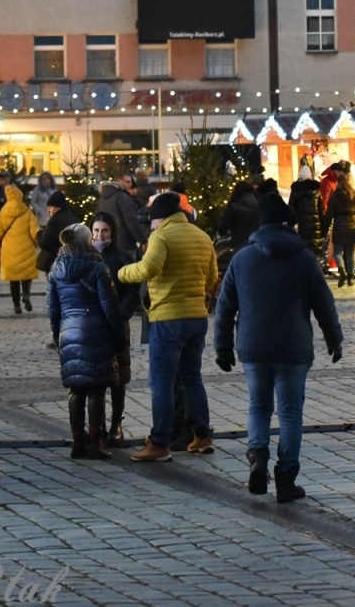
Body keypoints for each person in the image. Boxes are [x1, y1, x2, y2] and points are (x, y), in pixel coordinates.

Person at [214, 191, 343, 502]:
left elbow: (224, 306)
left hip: (253, 347)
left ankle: (258, 456)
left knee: (258, 406)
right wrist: (334, 338)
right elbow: (323, 304)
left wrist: (223, 348)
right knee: (290, 413)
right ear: (290, 225)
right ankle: (286, 478)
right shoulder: (304, 259)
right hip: (293, 347)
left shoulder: (242, 259)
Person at [119, 192, 219, 462]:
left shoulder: (161, 236)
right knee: (192, 378)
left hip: (167, 318)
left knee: (161, 382)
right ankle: (202, 436)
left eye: (152, 222)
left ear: (159, 219)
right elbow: (212, 277)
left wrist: (121, 273)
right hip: (197, 318)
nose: (150, 227)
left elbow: (147, 269)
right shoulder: (201, 236)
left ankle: (159, 442)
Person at [48, 222, 126, 460]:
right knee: (96, 388)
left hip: (68, 331)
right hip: (96, 331)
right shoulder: (97, 266)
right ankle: (96, 442)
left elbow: (53, 308)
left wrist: (57, 334)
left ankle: (77, 442)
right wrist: (119, 336)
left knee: (76, 388)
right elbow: (109, 307)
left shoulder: (56, 268)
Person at [89, 212, 140, 446]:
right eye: (97, 231)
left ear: (113, 232)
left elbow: (132, 291)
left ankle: (116, 423)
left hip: (117, 324)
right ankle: (95, 425)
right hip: (93, 324)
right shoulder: (87, 257)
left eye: (105, 231)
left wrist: (122, 314)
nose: (100, 235)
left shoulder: (123, 257)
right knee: (95, 375)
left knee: (120, 375)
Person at [0, 182, 41, 313]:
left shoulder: (2, 213)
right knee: (26, 275)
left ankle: (16, 305)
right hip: (26, 248)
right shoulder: (27, 212)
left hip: (9, 249)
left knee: (13, 280)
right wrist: (36, 244)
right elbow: (34, 232)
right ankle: (26, 295)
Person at [326, 163, 355, 289]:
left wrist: (325, 228)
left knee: (338, 252)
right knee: (350, 254)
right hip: (352, 227)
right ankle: (350, 278)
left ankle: (342, 270)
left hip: (339, 226)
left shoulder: (334, 196)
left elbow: (329, 214)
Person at [97, 173, 146, 259]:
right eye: (128, 182)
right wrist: (143, 241)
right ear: (119, 182)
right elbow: (131, 221)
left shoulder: (103, 198)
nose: (130, 185)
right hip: (125, 244)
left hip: (108, 244)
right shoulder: (123, 198)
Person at [39, 189, 80, 274]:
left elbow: (45, 244)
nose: (48, 211)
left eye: (50, 207)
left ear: (56, 207)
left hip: (55, 262)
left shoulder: (55, 221)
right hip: (71, 262)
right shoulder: (74, 219)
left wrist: (39, 234)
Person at [220, 180, 260, 256]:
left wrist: (221, 233)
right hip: (256, 243)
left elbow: (225, 223)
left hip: (238, 243)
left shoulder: (234, 205)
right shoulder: (258, 204)